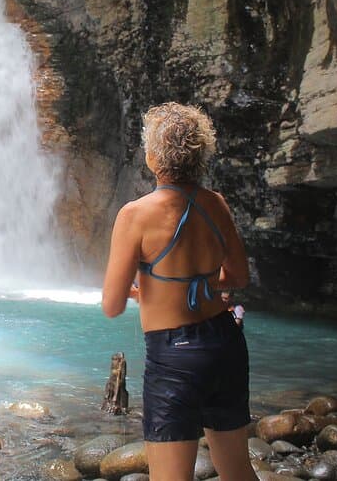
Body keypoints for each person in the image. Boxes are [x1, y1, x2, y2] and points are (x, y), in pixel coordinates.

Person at [103, 103, 256, 481]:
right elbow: (237, 275)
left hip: (175, 356)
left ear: (154, 156)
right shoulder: (216, 204)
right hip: (225, 342)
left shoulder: (135, 215)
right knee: (238, 471)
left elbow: (111, 302)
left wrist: (154, 287)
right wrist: (195, 281)